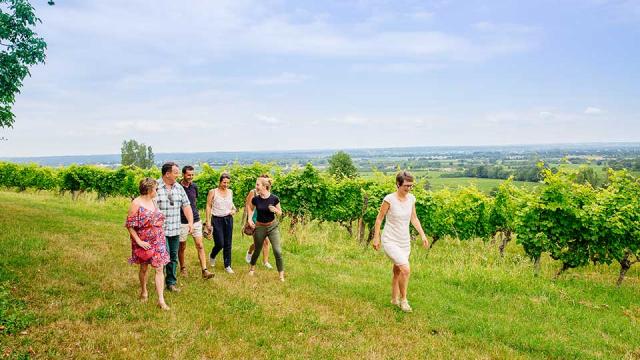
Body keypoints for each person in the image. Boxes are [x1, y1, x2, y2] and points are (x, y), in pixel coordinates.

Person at [372, 171, 429, 312]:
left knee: (397, 270)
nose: (409, 189)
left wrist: (422, 235)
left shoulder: (411, 199)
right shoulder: (389, 199)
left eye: (411, 186)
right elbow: (379, 219)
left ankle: (394, 299)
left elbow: (414, 218)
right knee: (405, 268)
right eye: (406, 186)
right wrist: (376, 237)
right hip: (390, 240)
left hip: (404, 241)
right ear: (398, 184)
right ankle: (404, 300)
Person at [125, 177, 170, 310]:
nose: (157, 190)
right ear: (150, 189)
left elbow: (156, 216)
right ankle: (144, 292)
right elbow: (129, 225)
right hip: (143, 240)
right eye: (155, 188)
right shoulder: (136, 203)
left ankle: (161, 300)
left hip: (158, 238)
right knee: (144, 268)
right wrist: (139, 241)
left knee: (159, 268)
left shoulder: (153, 201)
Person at [156, 162, 193, 292]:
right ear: (167, 174)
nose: (178, 175)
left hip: (175, 229)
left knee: (173, 256)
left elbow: (186, 205)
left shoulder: (179, 188)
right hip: (159, 230)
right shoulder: (155, 187)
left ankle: (171, 283)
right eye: (175, 172)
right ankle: (160, 279)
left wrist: (190, 222)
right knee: (163, 256)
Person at [178, 165, 214, 279]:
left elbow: (194, 203)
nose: (191, 177)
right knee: (182, 246)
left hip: (196, 220)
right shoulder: (177, 187)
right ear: (183, 174)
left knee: (200, 245)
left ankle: (204, 270)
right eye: (189, 175)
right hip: (182, 221)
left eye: (192, 175)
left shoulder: (194, 187)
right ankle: (183, 267)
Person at [246, 176, 284, 281]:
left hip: (272, 226)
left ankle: (281, 275)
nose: (256, 187)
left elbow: (280, 213)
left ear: (264, 186)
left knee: (277, 250)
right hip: (260, 227)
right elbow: (250, 207)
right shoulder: (256, 199)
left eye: (258, 185)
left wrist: (275, 210)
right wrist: (249, 219)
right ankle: (252, 269)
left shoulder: (274, 198)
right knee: (257, 249)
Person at [205, 173, 237, 273]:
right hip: (217, 219)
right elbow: (208, 206)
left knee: (228, 243)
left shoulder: (230, 192)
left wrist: (234, 210)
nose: (226, 185)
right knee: (220, 243)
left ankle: (227, 265)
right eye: (224, 182)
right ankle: (212, 255)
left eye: (228, 183)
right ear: (219, 182)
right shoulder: (213, 192)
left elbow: (232, 205)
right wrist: (208, 221)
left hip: (228, 219)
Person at [244, 174, 273, 269]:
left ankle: (265, 262)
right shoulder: (253, 192)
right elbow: (249, 207)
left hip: (265, 220)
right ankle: (249, 251)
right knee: (258, 243)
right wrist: (249, 220)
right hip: (255, 220)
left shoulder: (268, 193)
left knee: (266, 241)